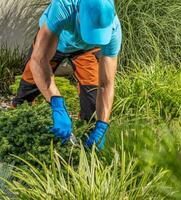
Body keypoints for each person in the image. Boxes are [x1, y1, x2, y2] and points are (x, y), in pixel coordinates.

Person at [12, 0, 122, 150]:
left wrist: (103, 124)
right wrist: (57, 103)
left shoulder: (113, 30)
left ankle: (85, 147)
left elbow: (106, 83)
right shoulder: (64, 6)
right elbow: (39, 60)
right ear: (78, 14)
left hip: (87, 51)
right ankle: (15, 133)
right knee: (27, 89)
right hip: (56, 42)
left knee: (92, 102)